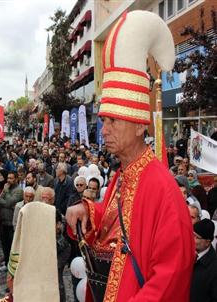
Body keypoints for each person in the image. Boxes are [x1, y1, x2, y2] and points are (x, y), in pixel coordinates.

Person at [65, 11, 194, 302]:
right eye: (103, 120)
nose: (104, 129)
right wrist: (88, 210)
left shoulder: (161, 187)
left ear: (138, 125)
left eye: (113, 121)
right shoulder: (124, 174)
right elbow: (113, 225)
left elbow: (172, 275)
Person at [0, 171, 23, 267]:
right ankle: (7, 263)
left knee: (12, 246)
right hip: (3, 222)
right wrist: (4, 193)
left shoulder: (19, 190)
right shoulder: (6, 189)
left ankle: (13, 265)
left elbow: (8, 203)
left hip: (12, 223)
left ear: (16, 179)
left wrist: (5, 192)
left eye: (11, 178)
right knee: (5, 246)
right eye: (8, 178)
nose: (9, 180)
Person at [190, 219, 217, 302]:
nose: (192, 239)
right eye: (192, 235)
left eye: (196, 237)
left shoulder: (214, 267)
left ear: (207, 242)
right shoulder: (189, 254)